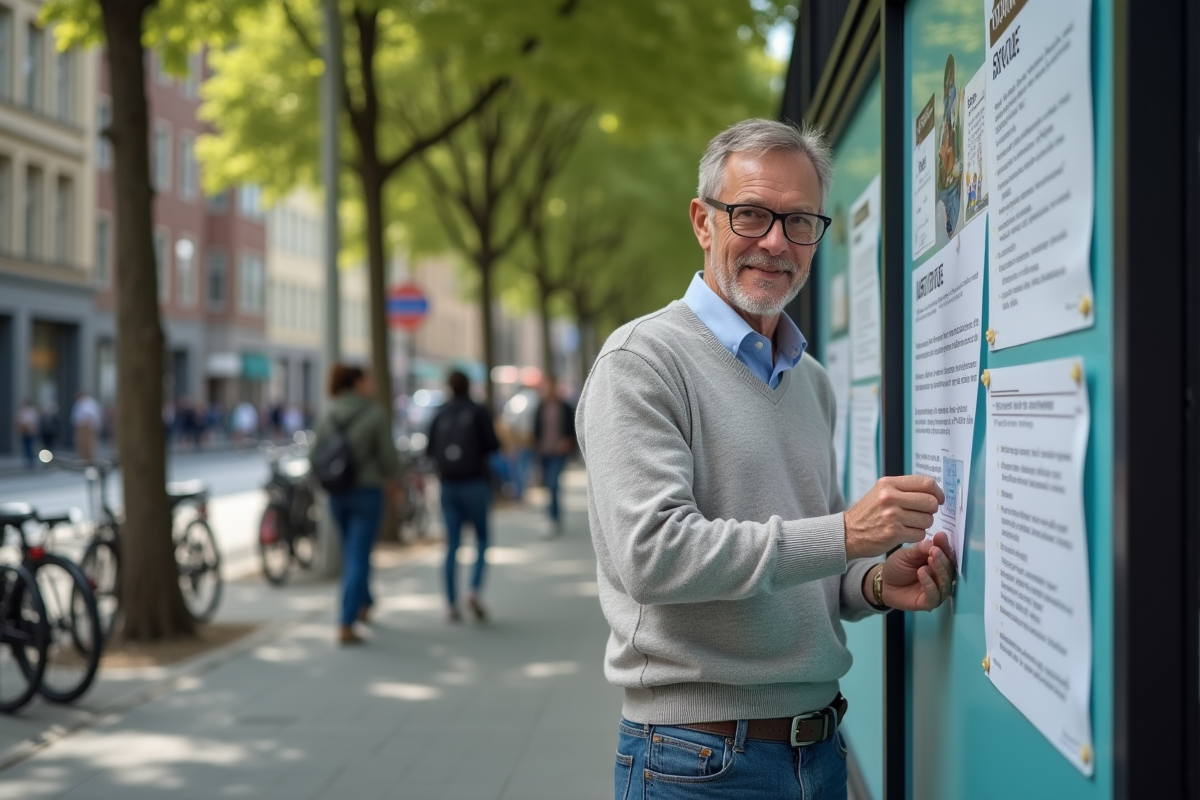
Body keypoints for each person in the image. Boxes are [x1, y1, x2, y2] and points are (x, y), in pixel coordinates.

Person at [576, 119, 956, 799]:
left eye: (800, 220)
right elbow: (653, 555)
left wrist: (871, 581)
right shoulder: (641, 363)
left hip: (818, 752)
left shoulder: (810, 379)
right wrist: (845, 534)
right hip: (696, 762)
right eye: (751, 214)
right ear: (703, 221)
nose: (776, 242)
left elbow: (804, 564)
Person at [312, 364, 400, 645]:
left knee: (353, 551)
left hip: (338, 493)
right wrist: (394, 481)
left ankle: (364, 602)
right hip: (366, 492)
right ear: (358, 383)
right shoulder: (374, 413)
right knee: (359, 556)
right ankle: (346, 621)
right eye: (368, 379)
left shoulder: (331, 411)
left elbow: (314, 453)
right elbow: (388, 458)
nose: (373, 384)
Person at [426, 370, 499, 623]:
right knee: (481, 539)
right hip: (475, 483)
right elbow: (493, 445)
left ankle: (449, 604)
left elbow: (429, 451)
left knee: (452, 545)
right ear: (469, 387)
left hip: (449, 485)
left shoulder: (440, 413)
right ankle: (474, 589)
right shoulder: (478, 411)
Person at [532, 380, 575, 535]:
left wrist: (567, 441)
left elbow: (572, 428)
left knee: (553, 483)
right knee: (548, 485)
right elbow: (536, 429)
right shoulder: (540, 407)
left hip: (558, 453)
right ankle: (552, 515)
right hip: (543, 452)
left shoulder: (564, 407)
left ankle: (552, 517)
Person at [71, 391, 102, 461]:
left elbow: (88, 416)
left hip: (85, 428)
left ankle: (89, 461)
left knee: (87, 446)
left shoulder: (88, 402)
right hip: (81, 428)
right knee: (81, 446)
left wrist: (83, 427)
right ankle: (84, 460)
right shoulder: (81, 402)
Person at [15, 398, 39, 469]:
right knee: (25, 447)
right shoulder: (21, 411)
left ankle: (32, 461)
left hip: (31, 433)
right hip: (24, 432)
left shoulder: (32, 411)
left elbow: (34, 422)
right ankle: (27, 462)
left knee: (30, 447)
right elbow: (18, 422)